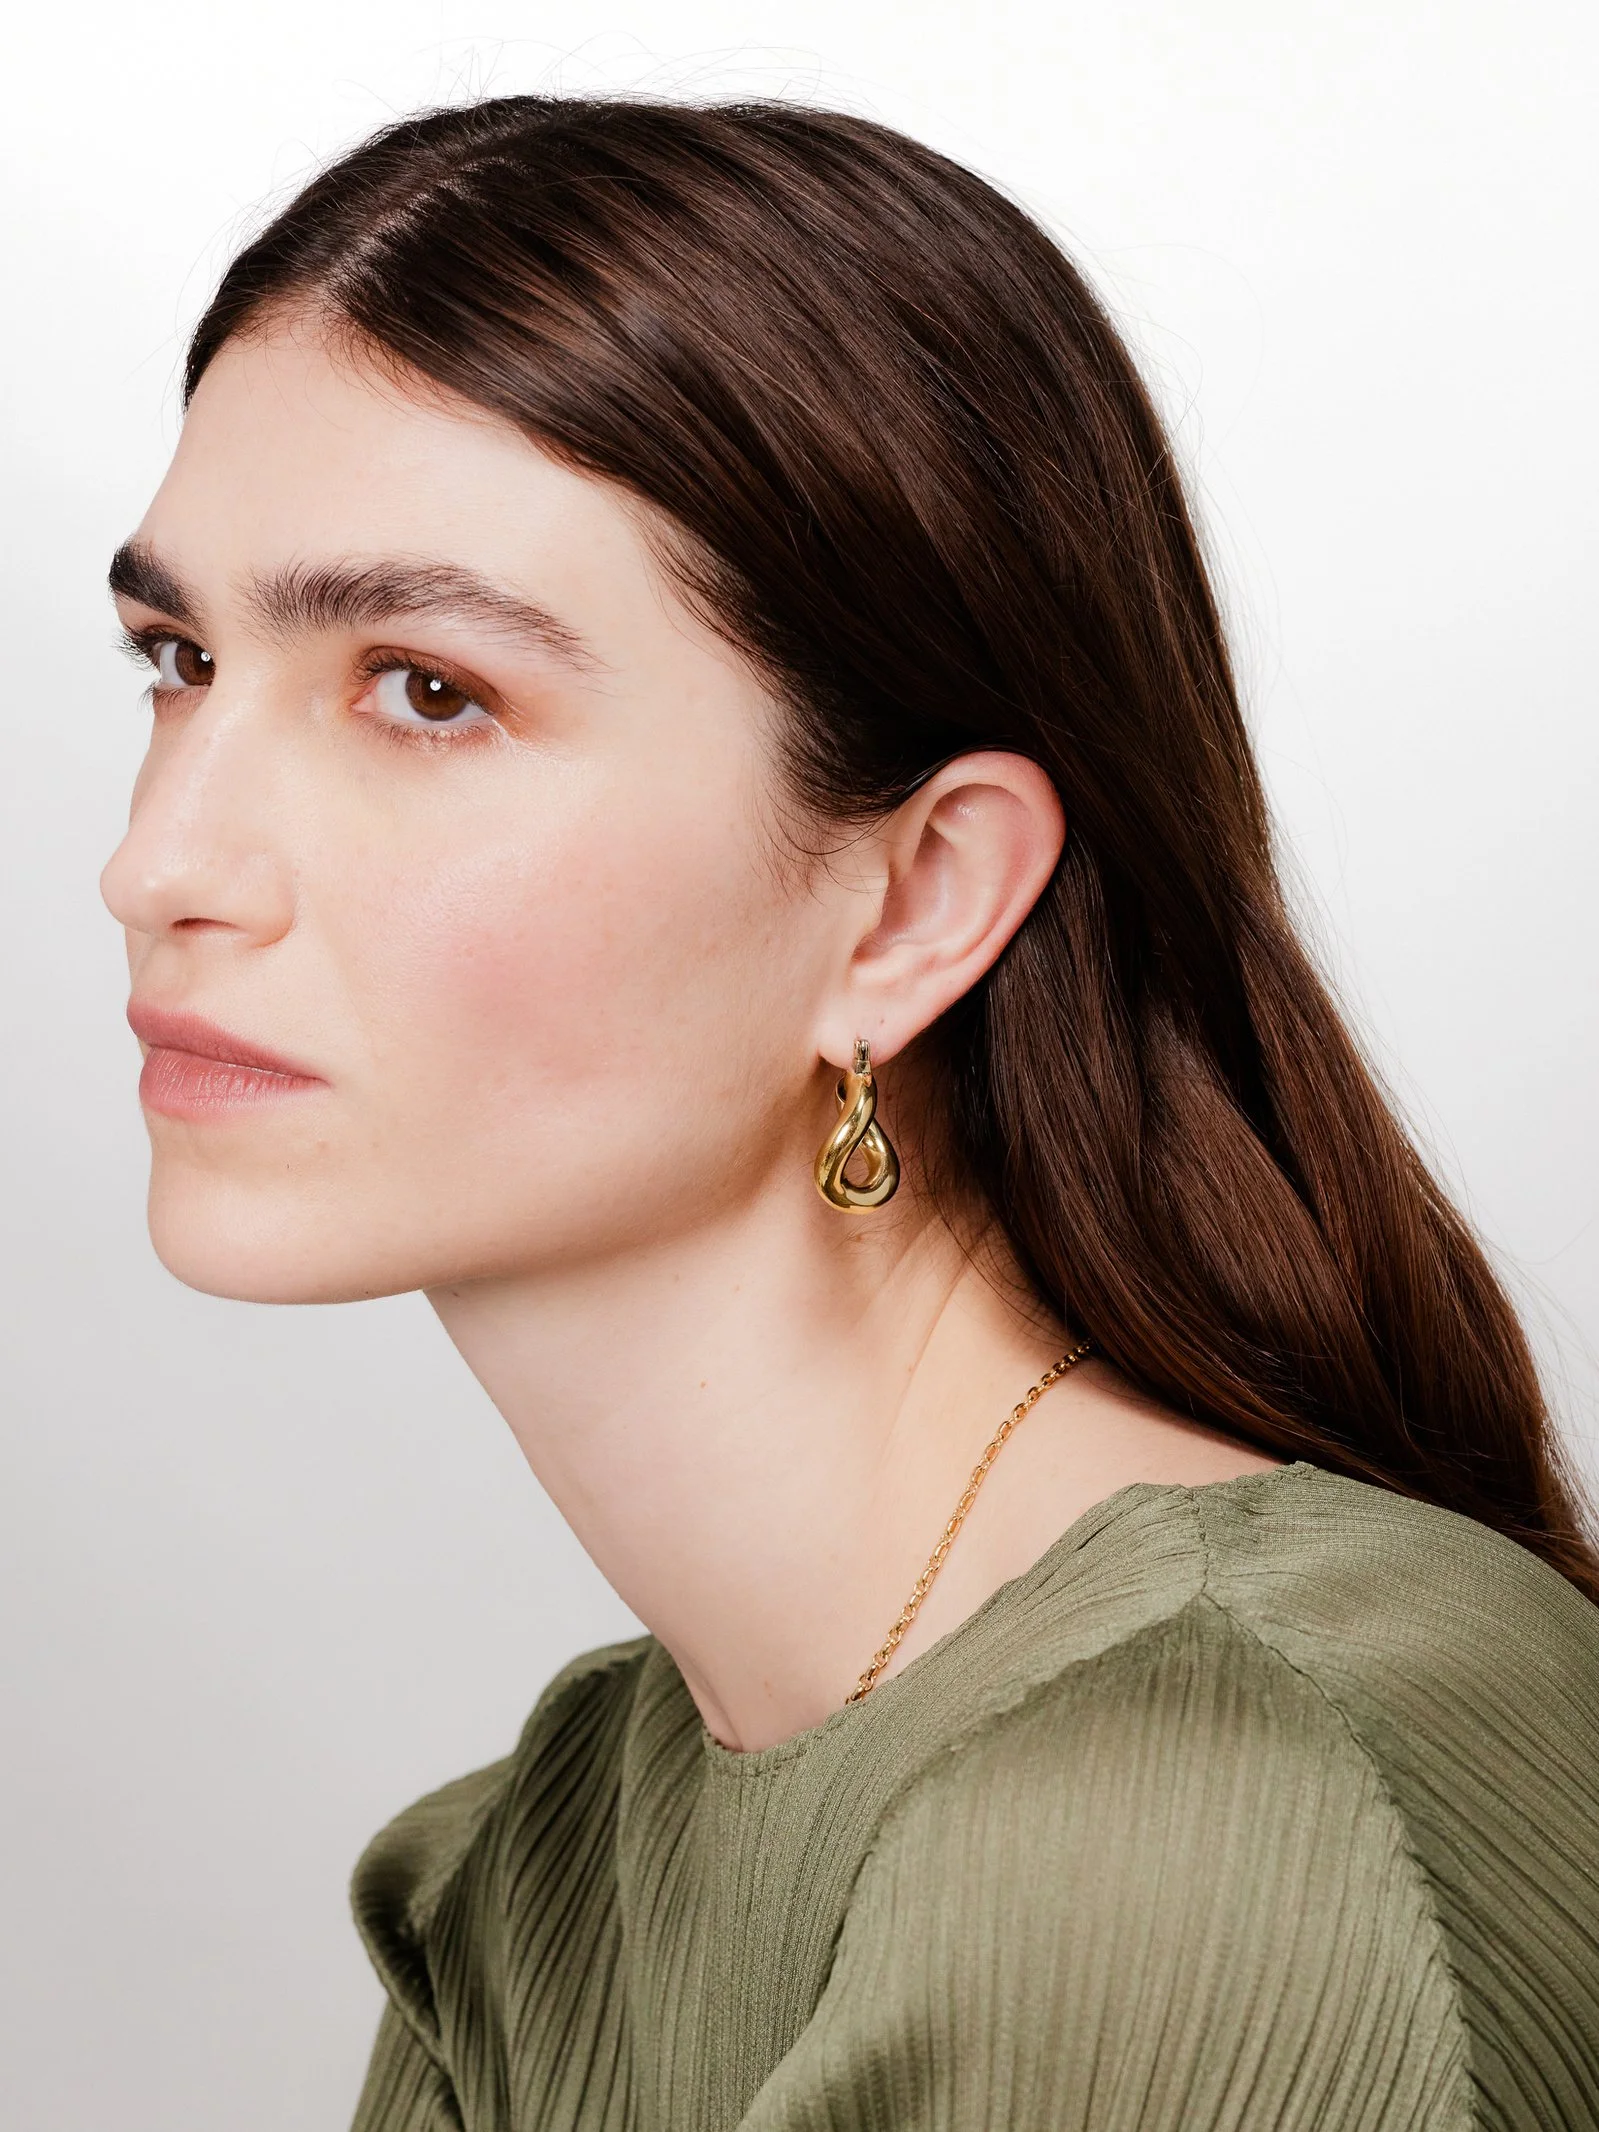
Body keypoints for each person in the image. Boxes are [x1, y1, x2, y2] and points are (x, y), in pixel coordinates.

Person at [101, 95, 1599, 2130]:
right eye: (176, 659)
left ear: (915, 897)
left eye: (425, 689)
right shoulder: (546, 1866)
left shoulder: (1196, 1831)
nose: (166, 856)